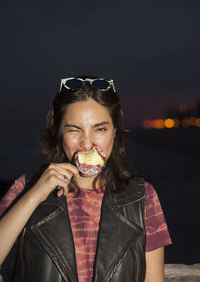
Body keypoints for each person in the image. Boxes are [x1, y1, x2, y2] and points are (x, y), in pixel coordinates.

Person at [0, 77, 171, 282]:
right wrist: (33, 197)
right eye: (74, 129)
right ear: (58, 132)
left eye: (100, 129)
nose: (87, 143)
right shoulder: (24, 189)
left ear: (115, 132)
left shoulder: (143, 197)